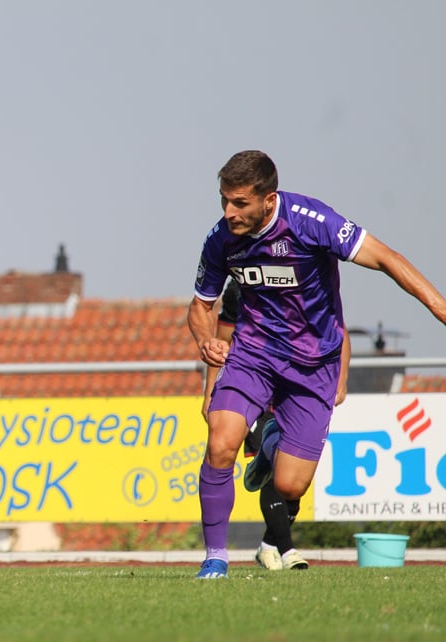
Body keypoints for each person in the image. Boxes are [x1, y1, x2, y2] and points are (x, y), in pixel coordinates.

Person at [187, 149, 446, 579]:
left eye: (239, 203)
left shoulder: (312, 221)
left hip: (313, 363)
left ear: (269, 199)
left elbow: (387, 258)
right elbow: (200, 306)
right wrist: (205, 341)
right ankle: (215, 558)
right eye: (224, 201)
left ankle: (269, 441)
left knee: (290, 485)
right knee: (220, 441)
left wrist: (439, 307)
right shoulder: (220, 240)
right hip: (253, 354)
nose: (228, 212)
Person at [202, 279, 351, 571]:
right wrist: (210, 392)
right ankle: (284, 549)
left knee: (290, 481)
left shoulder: (309, 278)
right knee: (253, 463)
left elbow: (338, 330)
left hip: (299, 383)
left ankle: (270, 545)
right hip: (252, 384)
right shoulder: (238, 289)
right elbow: (221, 342)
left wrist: (341, 378)